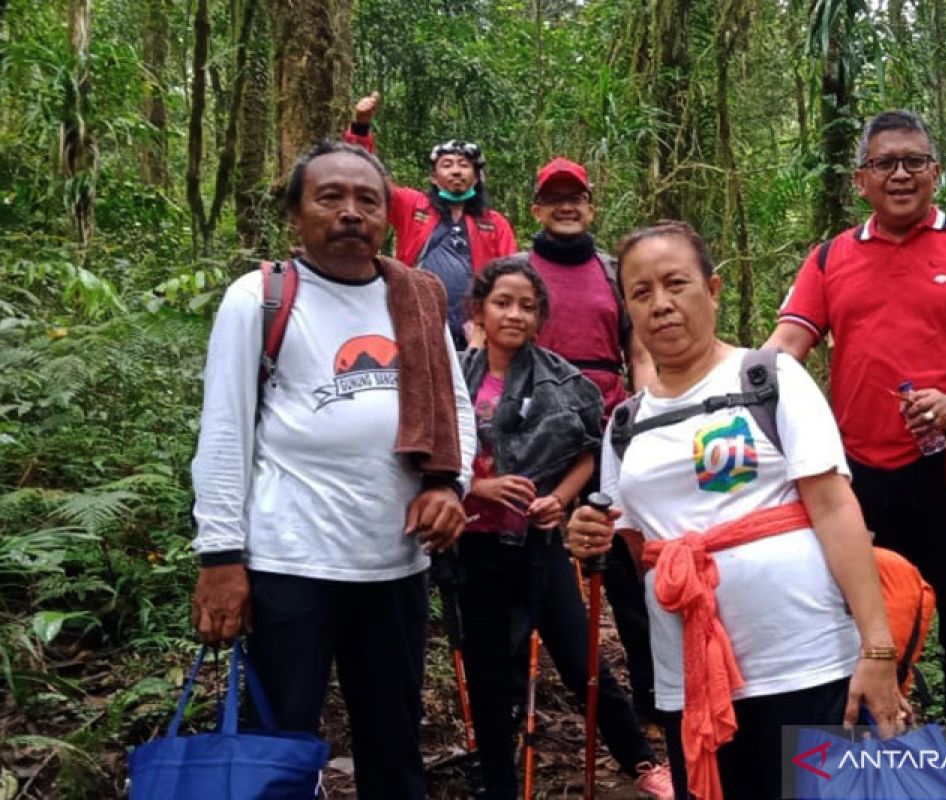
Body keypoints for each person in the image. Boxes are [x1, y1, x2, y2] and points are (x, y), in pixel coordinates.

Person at [566, 222, 909, 800]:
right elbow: (634, 549)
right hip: (691, 682)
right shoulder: (625, 424)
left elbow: (834, 508)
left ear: (714, 289)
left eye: (676, 283)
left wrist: (877, 650)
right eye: (642, 292)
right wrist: (586, 534)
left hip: (804, 664)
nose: (662, 304)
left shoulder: (769, 379)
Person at [189, 140, 476, 799]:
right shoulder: (259, 297)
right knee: (279, 749)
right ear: (297, 214)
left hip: (395, 566)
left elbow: (455, 409)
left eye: (367, 200)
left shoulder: (419, 298)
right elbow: (225, 429)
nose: (351, 212)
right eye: (330, 197)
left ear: (388, 218)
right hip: (291, 564)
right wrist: (220, 559)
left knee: (394, 745)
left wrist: (446, 485)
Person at [767, 109, 946, 726]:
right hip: (860, 480)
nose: (901, 174)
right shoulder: (830, 258)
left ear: (935, 172)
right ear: (860, 179)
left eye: (914, 161)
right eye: (884, 163)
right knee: (865, 625)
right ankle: (879, 758)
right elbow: (786, 346)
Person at [456, 257, 673, 799]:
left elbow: (586, 447)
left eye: (528, 307)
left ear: (540, 317)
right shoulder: (453, 375)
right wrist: (478, 488)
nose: (515, 315)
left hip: (538, 544)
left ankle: (643, 763)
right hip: (473, 549)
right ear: (479, 310)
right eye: (503, 303)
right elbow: (426, 456)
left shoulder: (561, 379)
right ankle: (499, 783)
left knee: (582, 661)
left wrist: (559, 497)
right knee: (487, 674)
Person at [516, 156, 658, 718]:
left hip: (609, 424)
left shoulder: (610, 271)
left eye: (575, 196)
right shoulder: (518, 270)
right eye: (554, 197)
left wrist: (645, 415)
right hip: (536, 429)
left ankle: (650, 696)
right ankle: (515, 694)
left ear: (591, 205)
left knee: (626, 557)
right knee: (530, 553)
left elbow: (638, 351)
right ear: (537, 209)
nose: (566, 205)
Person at [345, 92, 517, 348]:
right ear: (434, 178)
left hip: (477, 335)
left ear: (477, 177)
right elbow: (367, 179)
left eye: (464, 165)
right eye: (447, 165)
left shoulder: (494, 223)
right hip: (416, 322)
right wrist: (361, 128)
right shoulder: (413, 206)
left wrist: (485, 323)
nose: (456, 170)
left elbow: (511, 276)